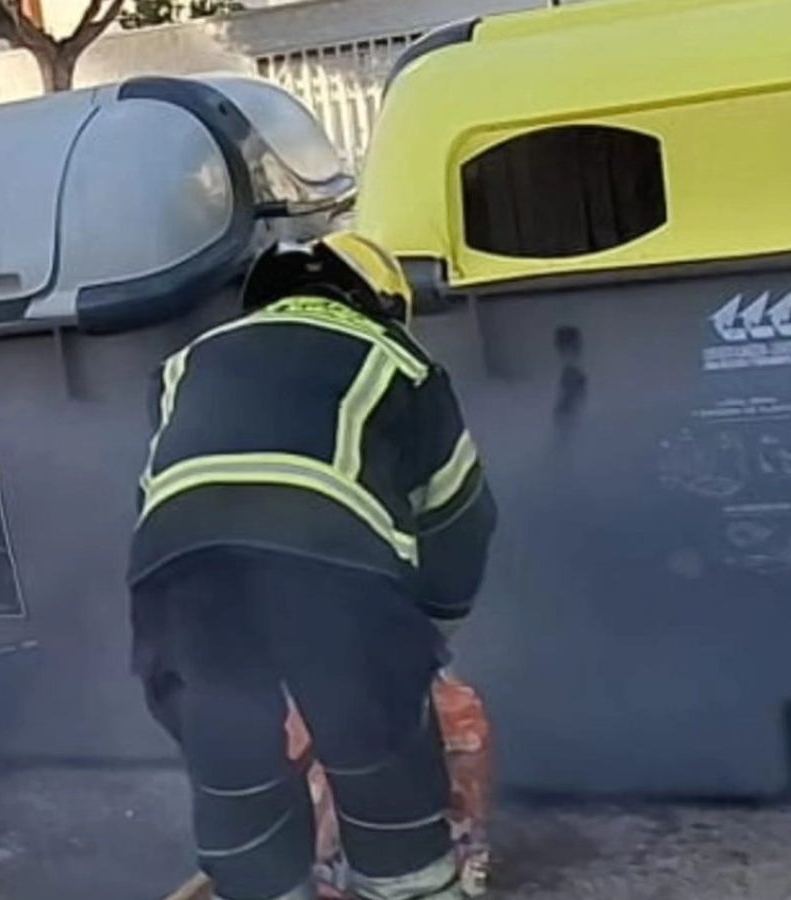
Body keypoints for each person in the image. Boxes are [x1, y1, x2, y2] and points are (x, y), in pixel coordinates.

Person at [130, 232, 497, 900]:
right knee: (379, 750)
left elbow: (159, 498)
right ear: (378, 301)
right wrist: (428, 635)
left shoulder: (186, 362)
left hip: (180, 572)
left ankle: (258, 881)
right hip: (332, 569)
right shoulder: (398, 360)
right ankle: (411, 887)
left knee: (229, 746)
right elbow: (459, 513)